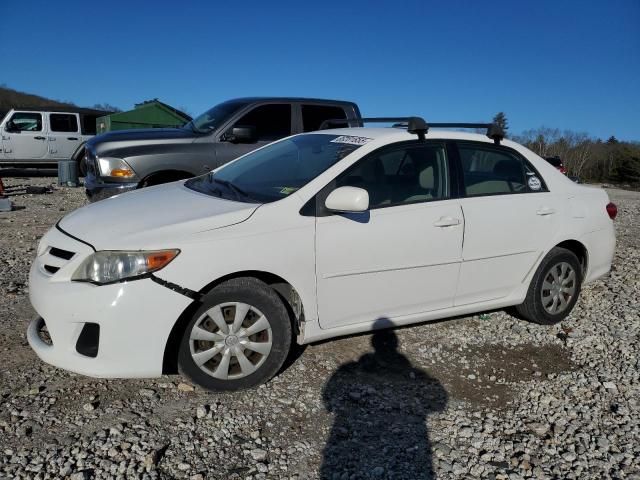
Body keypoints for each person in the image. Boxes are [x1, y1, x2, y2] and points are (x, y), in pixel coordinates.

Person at [320, 319, 448, 479]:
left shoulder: (353, 368)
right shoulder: (408, 370)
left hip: (361, 428)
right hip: (407, 433)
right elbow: (440, 401)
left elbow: (328, 399)